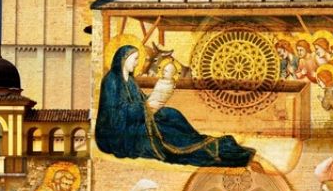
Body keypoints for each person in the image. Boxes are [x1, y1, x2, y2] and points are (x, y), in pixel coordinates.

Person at [94, 45, 255, 167]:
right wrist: (147, 107)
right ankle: (212, 149)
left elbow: (141, 100)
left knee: (172, 114)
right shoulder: (111, 81)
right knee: (166, 133)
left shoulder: (130, 80)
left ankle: (199, 141)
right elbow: (115, 116)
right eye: (134, 59)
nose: (137, 63)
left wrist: (156, 98)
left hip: (138, 119)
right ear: (124, 59)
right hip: (120, 135)